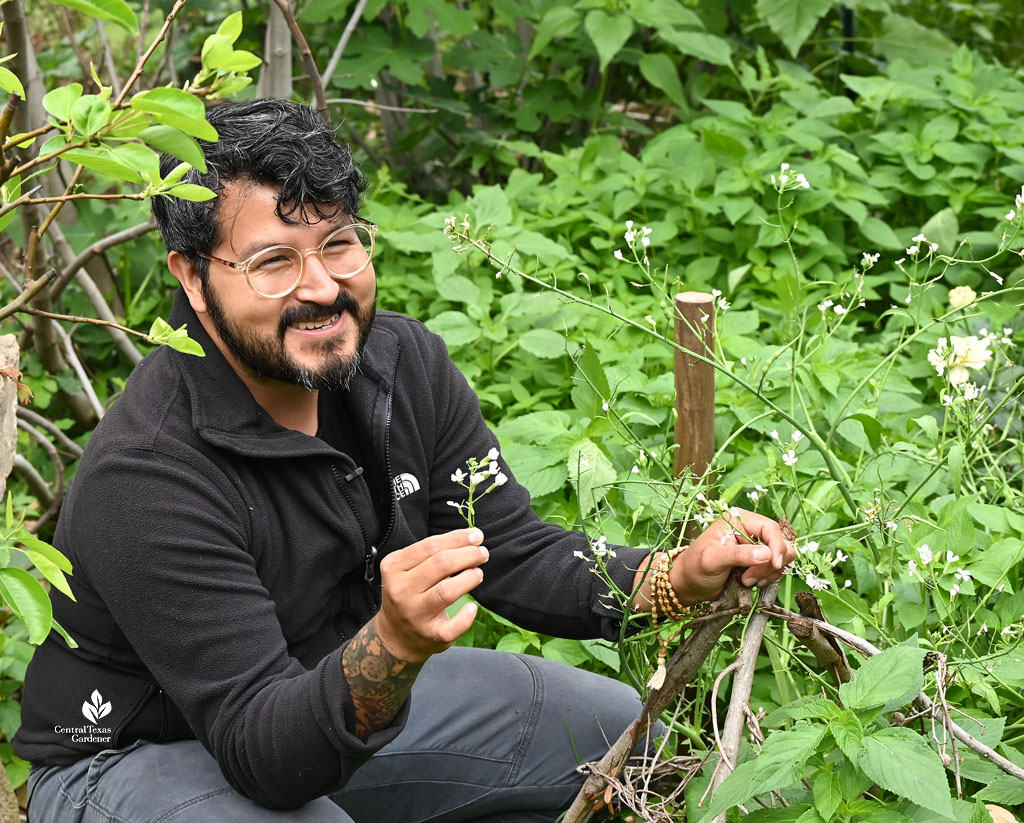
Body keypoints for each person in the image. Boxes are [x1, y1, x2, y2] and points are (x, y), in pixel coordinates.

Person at [14, 99, 794, 822]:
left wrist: (675, 574)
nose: (322, 287)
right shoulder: (151, 470)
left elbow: (511, 549)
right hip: (131, 757)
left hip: (325, 700)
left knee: (621, 737)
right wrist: (391, 643)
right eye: (274, 262)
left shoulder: (399, 365)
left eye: (339, 242)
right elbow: (264, 752)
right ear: (191, 274)